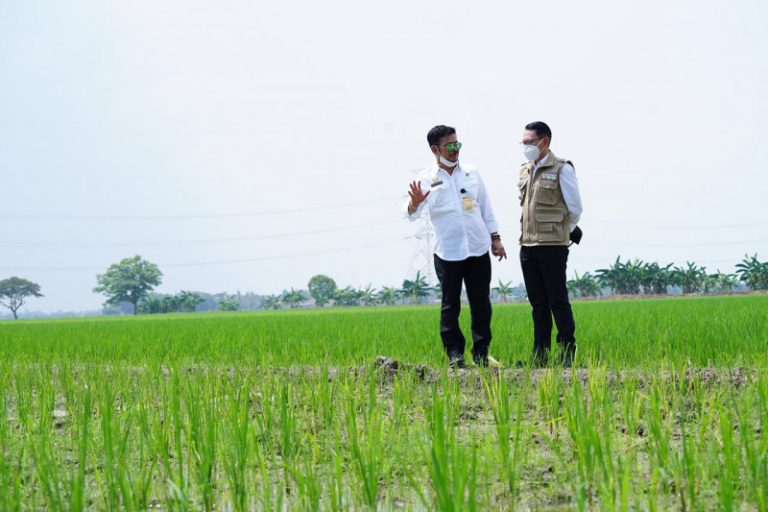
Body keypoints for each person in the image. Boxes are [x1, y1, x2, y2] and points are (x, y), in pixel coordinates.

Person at [405, 125, 506, 369]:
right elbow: (410, 215)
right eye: (449, 146)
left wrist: (495, 238)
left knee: (481, 303)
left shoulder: (472, 173)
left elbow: (485, 208)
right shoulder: (425, 179)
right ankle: (455, 355)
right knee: (450, 305)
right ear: (434, 149)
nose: (454, 150)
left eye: (457, 144)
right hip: (448, 253)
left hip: (478, 248)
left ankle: (481, 353)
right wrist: (413, 204)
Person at [517, 121, 583, 367]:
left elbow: (575, 208)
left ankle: (567, 351)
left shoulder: (562, 169)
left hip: (553, 245)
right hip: (528, 245)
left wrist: (559, 231)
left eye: (530, 142)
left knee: (557, 299)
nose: (526, 147)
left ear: (544, 142)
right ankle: (540, 355)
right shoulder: (525, 170)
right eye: (523, 143)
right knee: (538, 304)